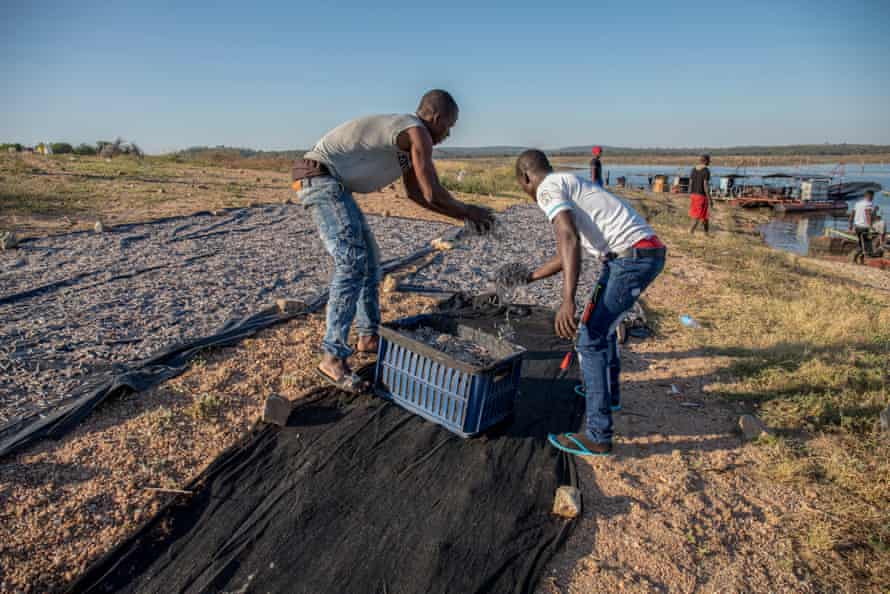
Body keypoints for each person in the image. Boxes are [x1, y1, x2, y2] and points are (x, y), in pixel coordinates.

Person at [293, 90, 494, 391]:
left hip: (335, 187)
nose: (448, 134)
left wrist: (464, 217)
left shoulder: (407, 140)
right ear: (436, 118)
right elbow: (432, 192)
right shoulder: (416, 131)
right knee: (352, 261)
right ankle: (331, 357)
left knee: (370, 264)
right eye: (449, 126)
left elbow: (416, 194)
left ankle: (368, 336)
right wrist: (469, 212)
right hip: (320, 179)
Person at [515, 149, 666, 456]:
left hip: (631, 259)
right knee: (601, 326)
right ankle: (608, 396)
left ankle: (598, 435)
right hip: (635, 255)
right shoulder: (567, 183)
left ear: (526, 177)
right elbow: (564, 252)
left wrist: (567, 300)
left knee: (589, 338)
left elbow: (569, 240)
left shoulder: (547, 189)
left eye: (523, 185)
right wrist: (530, 277)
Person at [848, 190, 875, 258]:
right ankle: (854, 255)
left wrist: (850, 225)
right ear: (870, 196)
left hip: (857, 227)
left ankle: (858, 259)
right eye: (872, 196)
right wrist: (870, 226)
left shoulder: (857, 203)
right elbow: (868, 215)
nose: (873, 198)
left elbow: (852, 214)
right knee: (866, 245)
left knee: (861, 243)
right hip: (864, 227)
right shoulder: (869, 204)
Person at [688, 155, 711, 234]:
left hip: (693, 195)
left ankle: (706, 232)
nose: (710, 162)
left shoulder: (693, 169)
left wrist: (690, 194)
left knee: (705, 216)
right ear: (705, 161)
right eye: (709, 160)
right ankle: (690, 231)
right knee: (697, 216)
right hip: (701, 196)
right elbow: (705, 185)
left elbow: (690, 183)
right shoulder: (706, 171)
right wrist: (709, 198)